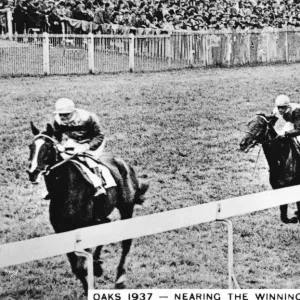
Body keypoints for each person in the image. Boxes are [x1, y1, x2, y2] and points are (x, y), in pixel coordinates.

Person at [51, 98, 109, 197]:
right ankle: (54, 187)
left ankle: (99, 185)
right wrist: (58, 144)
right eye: (61, 114)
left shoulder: (87, 117)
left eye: (66, 114)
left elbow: (99, 136)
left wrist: (87, 146)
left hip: (92, 140)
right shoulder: (57, 120)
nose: (63, 117)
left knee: (89, 159)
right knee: (60, 159)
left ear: (73, 111)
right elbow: (57, 136)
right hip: (75, 140)